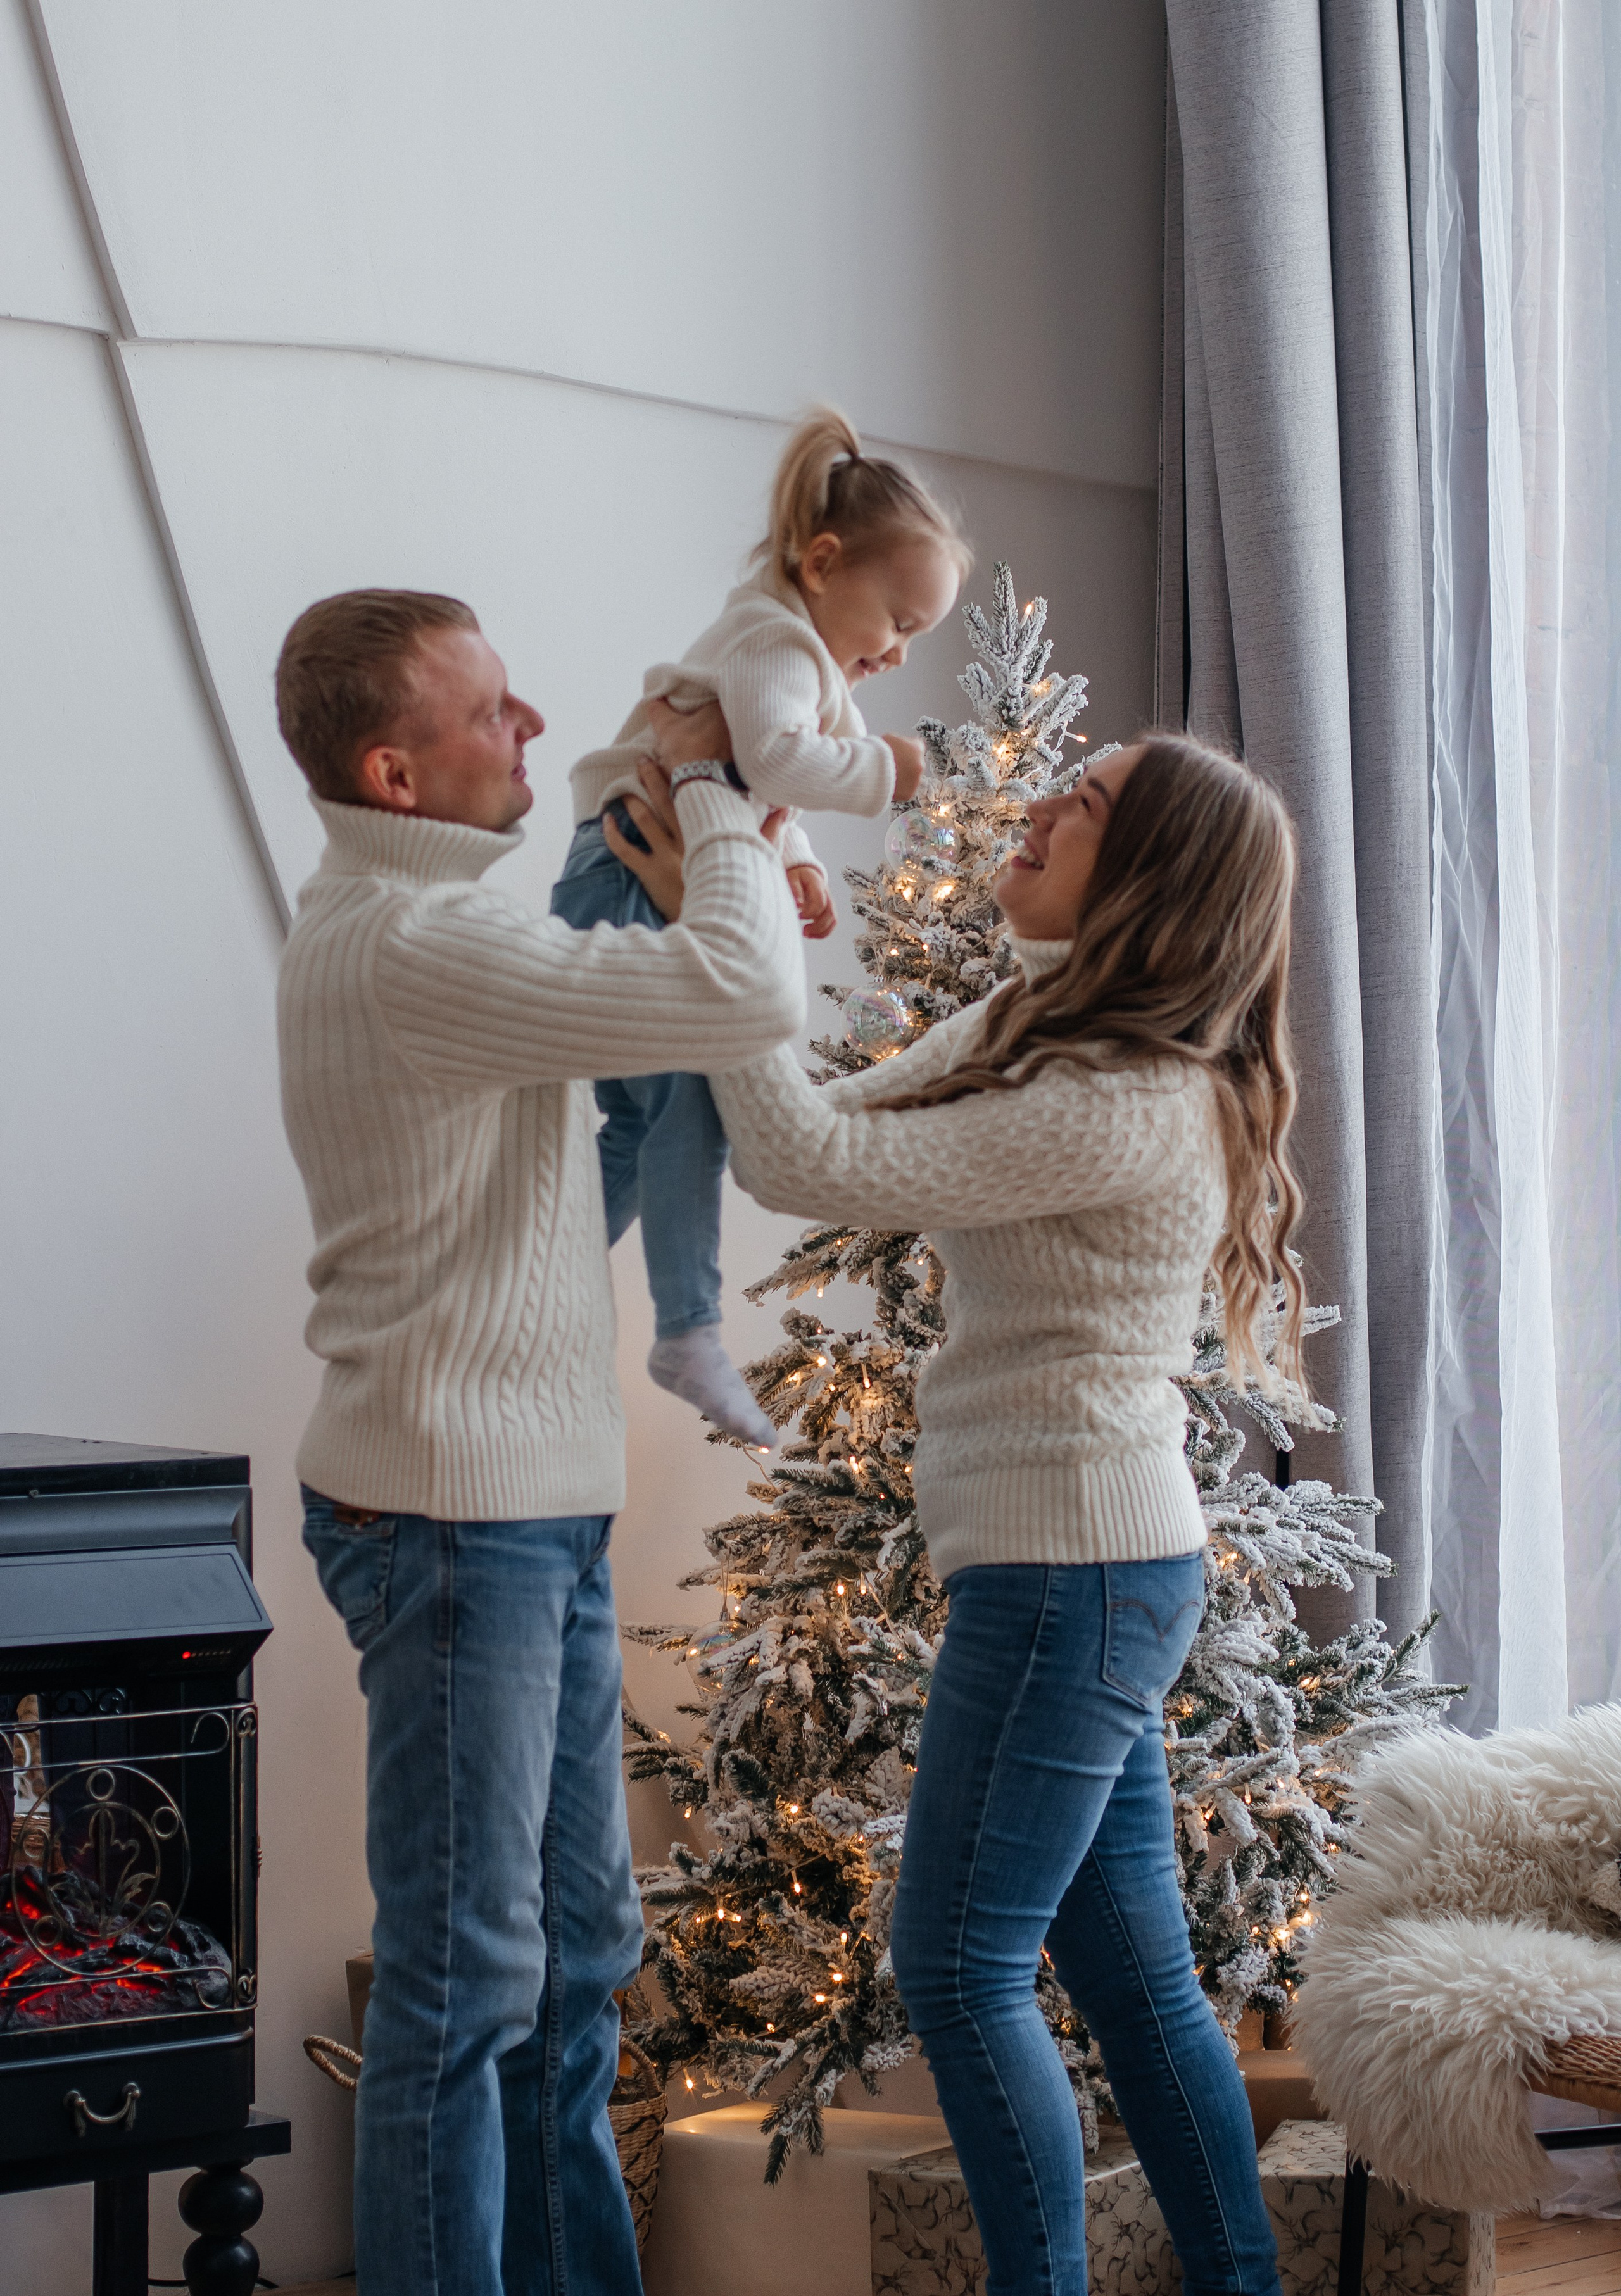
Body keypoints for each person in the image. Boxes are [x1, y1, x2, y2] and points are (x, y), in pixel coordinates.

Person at [612, 731, 1297, 2296]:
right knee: (1126, 1974)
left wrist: (723, 871)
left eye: (1090, 803)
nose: (1043, 801)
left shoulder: (1121, 1097)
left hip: (1076, 1568)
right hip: (1088, 1559)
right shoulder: (1039, 1028)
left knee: (957, 1960)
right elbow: (814, 1117)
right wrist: (727, 921)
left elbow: (802, 1157)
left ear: (1150, 886)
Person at [272, 588, 804, 2296]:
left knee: (583, 1960)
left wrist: (677, 845)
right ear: (392, 766)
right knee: (468, 1979)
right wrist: (716, 801)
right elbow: (733, 990)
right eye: (491, 710)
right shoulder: (416, 948)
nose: (529, 725)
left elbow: (607, 1100)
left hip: (527, 1512)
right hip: (456, 1517)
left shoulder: (429, 933)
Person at [553, 408, 968, 1450]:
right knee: (683, 1109)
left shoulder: (792, 648)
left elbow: (747, 787)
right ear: (824, 562)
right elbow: (778, 763)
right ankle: (685, 1329)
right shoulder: (778, 638)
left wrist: (793, 861)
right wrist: (892, 771)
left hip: (624, 868)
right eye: (898, 620)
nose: (899, 649)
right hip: (628, 865)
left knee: (650, 1121)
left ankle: (535, 1282)